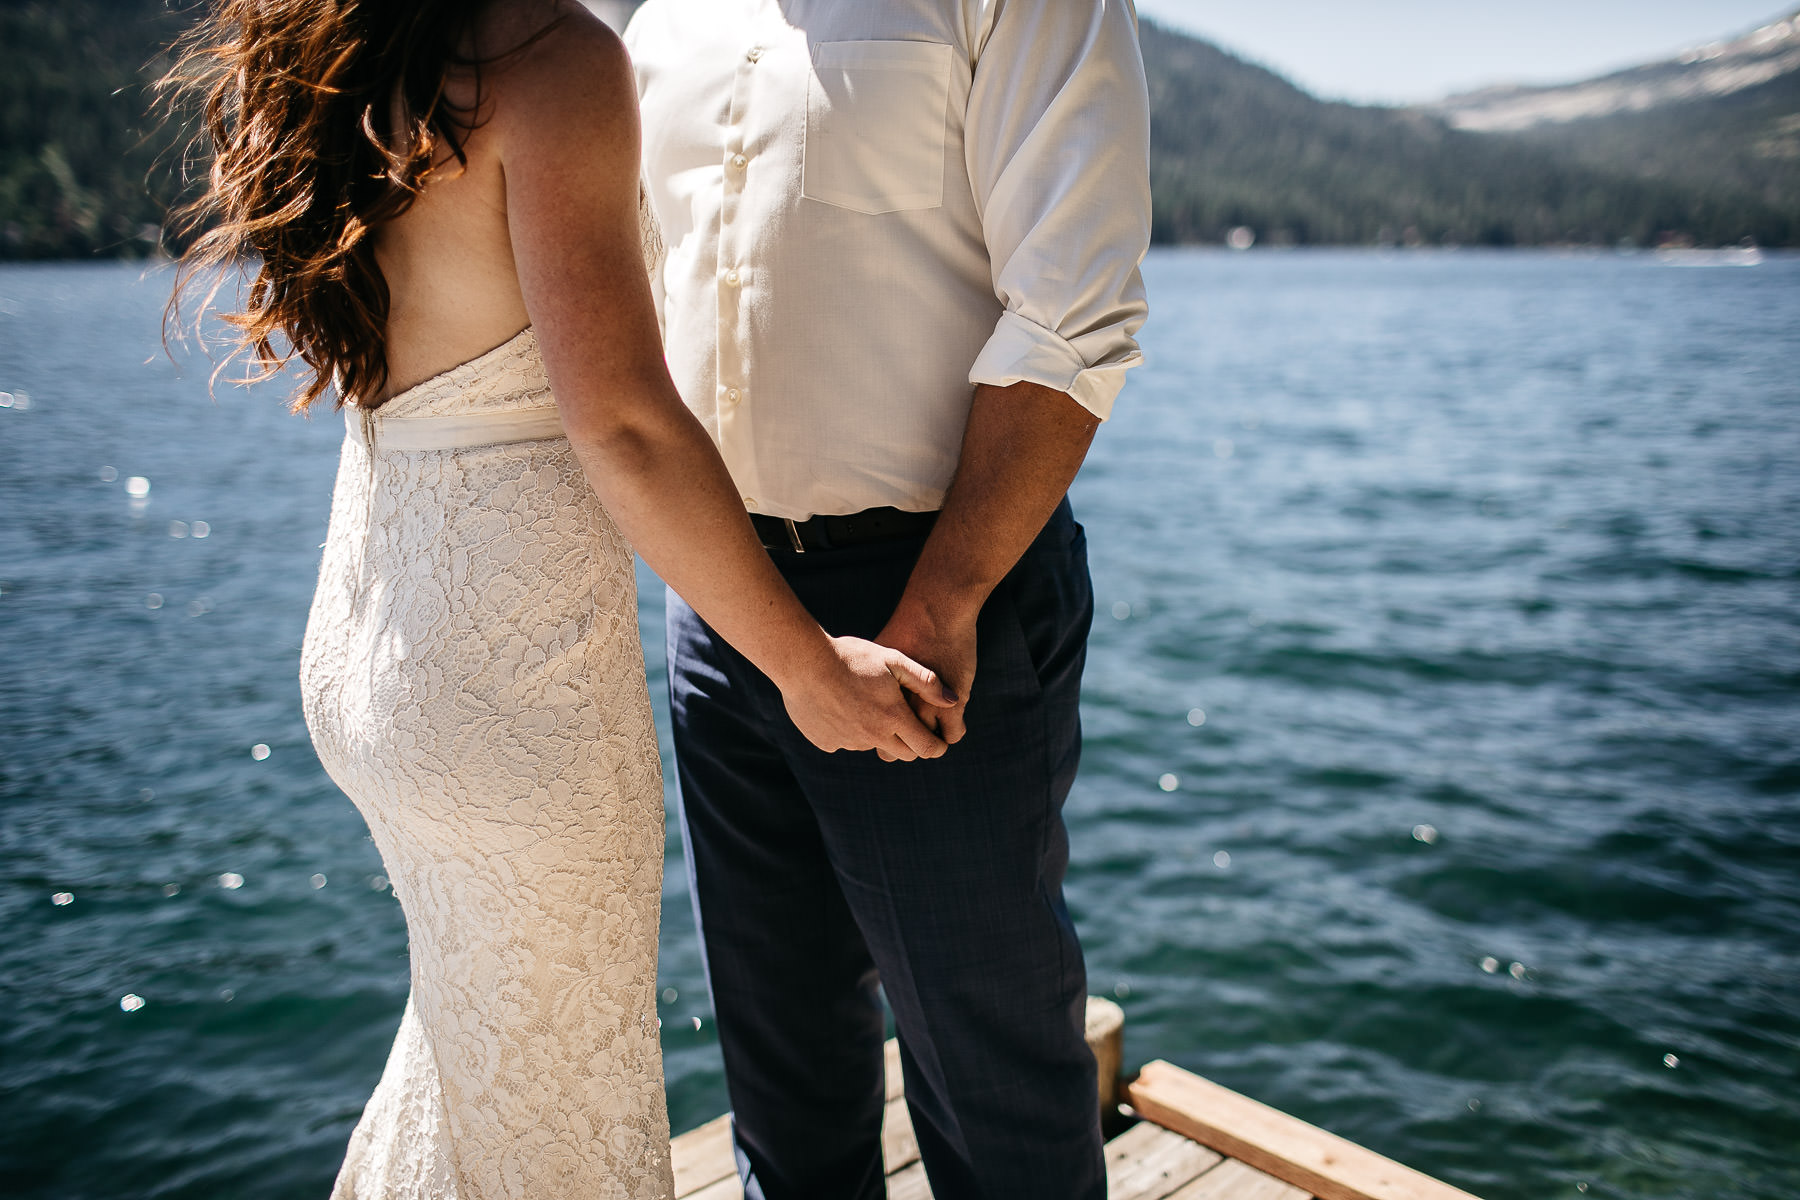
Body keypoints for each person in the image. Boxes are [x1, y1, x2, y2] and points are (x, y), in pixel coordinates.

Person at [166, 1, 957, 1196]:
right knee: (558, 1112)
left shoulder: (364, 48)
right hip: (509, 681)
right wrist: (806, 665)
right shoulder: (550, 57)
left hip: (374, 633)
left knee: (471, 1063)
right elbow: (622, 421)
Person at [626, 2, 1152, 1197]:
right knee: (782, 1077)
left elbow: (1075, 312)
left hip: (936, 593)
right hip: (722, 606)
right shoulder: (665, 19)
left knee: (990, 1084)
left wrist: (942, 601)